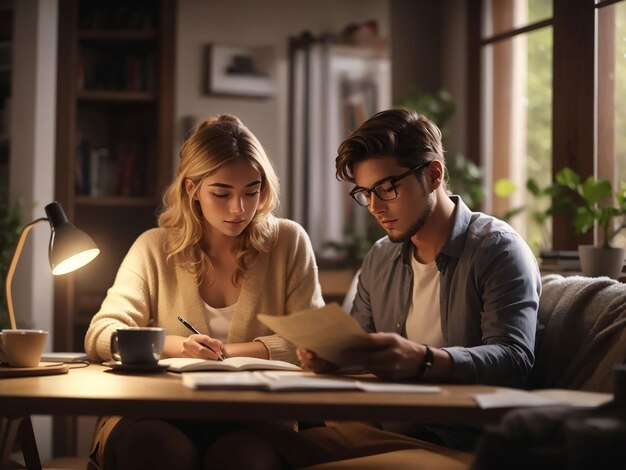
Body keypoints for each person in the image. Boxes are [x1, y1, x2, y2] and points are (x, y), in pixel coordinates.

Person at [296, 108, 541, 456]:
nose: (376, 207)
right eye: (365, 193)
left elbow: (513, 360)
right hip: (385, 427)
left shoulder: (497, 249)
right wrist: (333, 357)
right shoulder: (381, 257)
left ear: (434, 174)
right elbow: (361, 346)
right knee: (253, 446)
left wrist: (425, 360)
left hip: (461, 444)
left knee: (283, 449)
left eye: (388, 188)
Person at [84, 114, 324, 470]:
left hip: (260, 416)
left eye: (251, 192)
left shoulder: (288, 242)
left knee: (242, 459)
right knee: (156, 450)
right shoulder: (154, 247)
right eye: (221, 193)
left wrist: (228, 351)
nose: (238, 209)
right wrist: (179, 347)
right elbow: (101, 336)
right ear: (192, 189)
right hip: (159, 409)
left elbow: (314, 341)